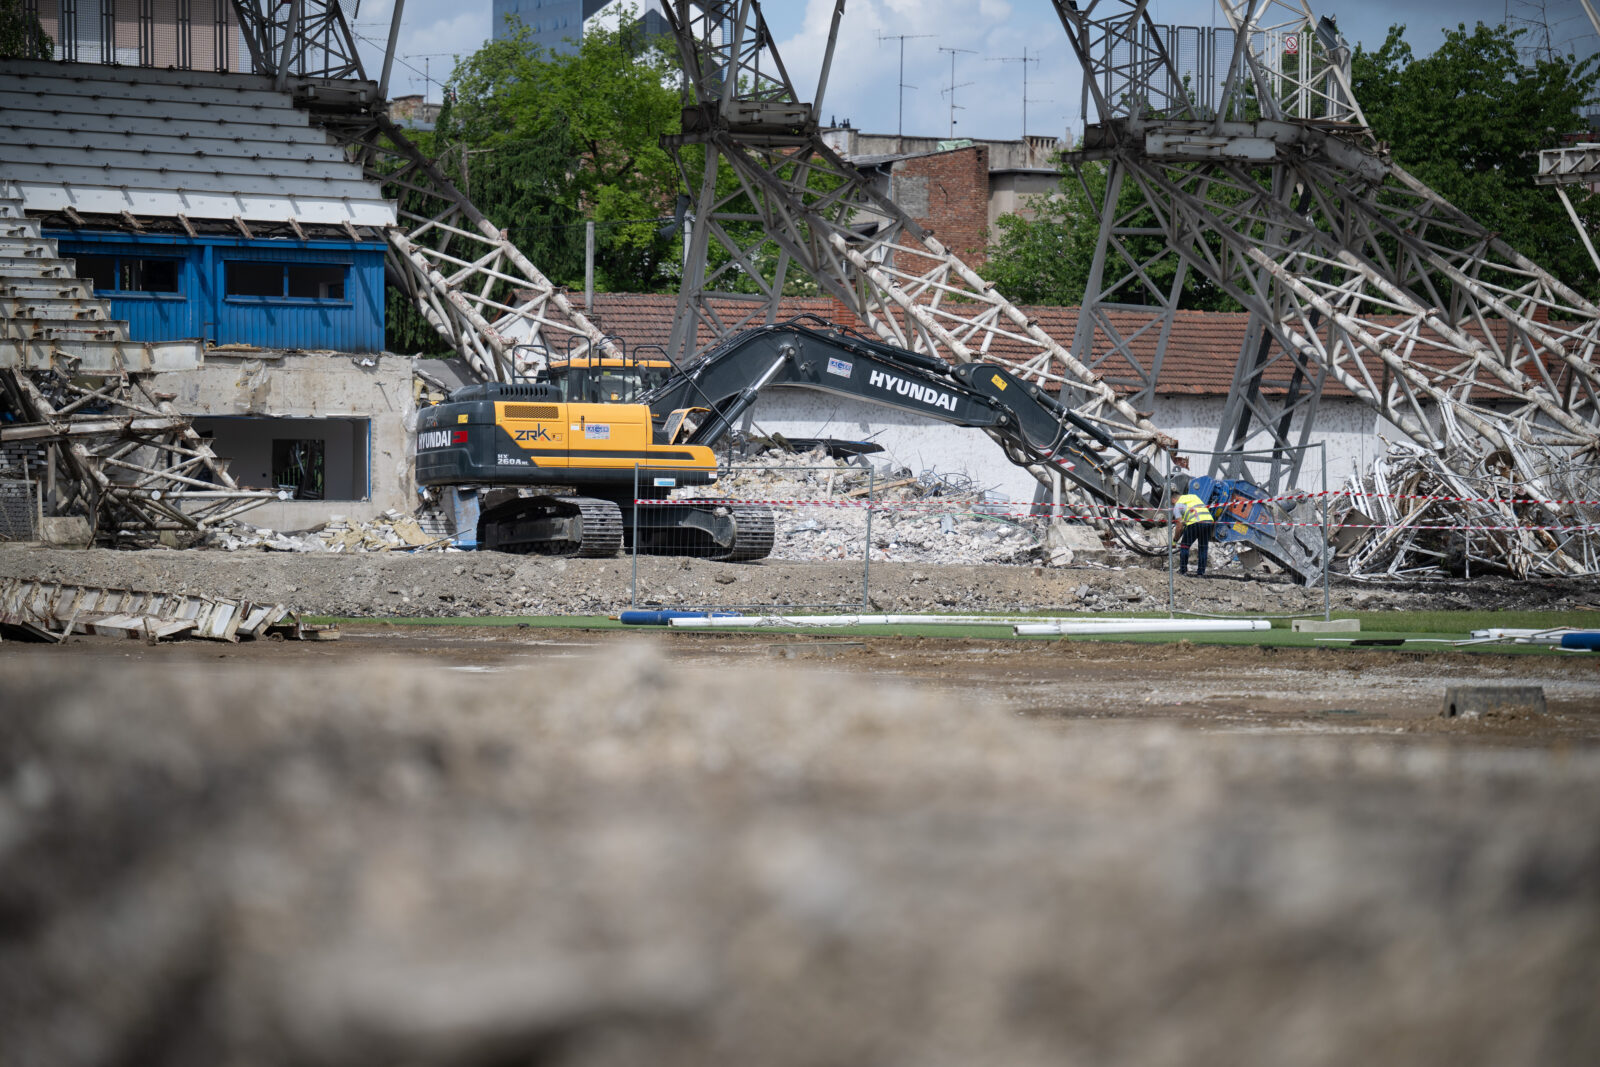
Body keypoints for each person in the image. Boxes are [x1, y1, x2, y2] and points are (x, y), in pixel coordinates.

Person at [1172, 491, 1215, 577]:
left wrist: (1174, 541)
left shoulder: (1178, 505)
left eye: (1171, 503)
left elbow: (1179, 527)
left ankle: (1183, 571)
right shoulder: (1194, 497)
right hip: (1208, 522)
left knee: (1185, 546)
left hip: (1195, 523)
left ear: (1173, 500)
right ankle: (1201, 573)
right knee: (1203, 548)